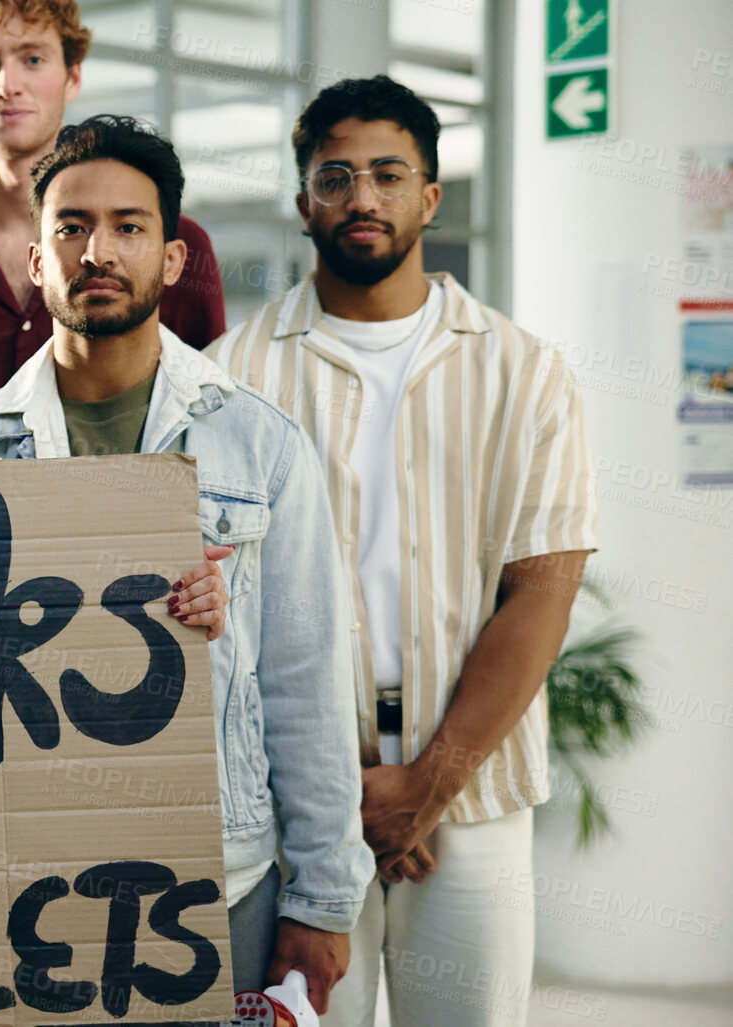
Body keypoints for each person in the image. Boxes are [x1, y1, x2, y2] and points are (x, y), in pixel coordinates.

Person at [0, 115, 373, 1013]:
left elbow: (304, 679)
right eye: (71, 227)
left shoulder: (259, 445)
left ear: (173, 259)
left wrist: (322, 896)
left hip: (220, 873)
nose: (97, 251)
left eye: (128, 227)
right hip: (22, 871)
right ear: (36, 260)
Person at [210, 76, 597, 1027]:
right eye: (334, 176)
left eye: (388, 174)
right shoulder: (231, 374)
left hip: (474, 797)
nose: (362, 196)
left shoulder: (524, 370)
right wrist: (339, 787)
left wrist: (428, 782)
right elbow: (229, 602)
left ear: (429, 196)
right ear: (303, 199)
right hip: (296, 808)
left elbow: (542, 590)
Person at [0, 0, 229, 410]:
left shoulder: (172, 245)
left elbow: (208, 406)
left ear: (73, 77)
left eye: (32, 59)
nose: (7, 85)